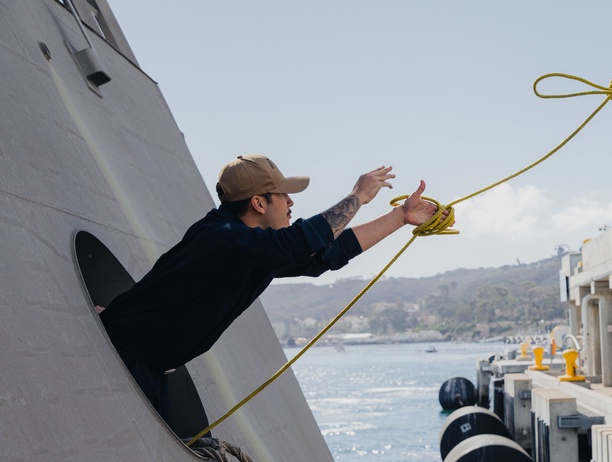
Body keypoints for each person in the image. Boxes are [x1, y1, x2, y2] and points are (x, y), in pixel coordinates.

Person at [100, 154, 441, 419]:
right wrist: (358, 196)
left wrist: (401, 217)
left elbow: (326, 254)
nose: (291, 203)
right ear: (259, 203)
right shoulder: (225, 240)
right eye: (283, 196)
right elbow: (301, 243)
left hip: (148, 365)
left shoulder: (254, 248)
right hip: (119, 355)